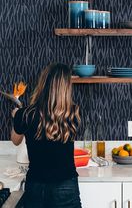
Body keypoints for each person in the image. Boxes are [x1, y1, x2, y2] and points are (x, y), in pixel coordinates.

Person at [11, 63, 82, 208]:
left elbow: (15, 140)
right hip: (66, 184)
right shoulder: (74, 114)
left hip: (36, 185)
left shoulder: (25, 114)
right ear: (66, 88)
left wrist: (15, 117)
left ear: (43, 83)